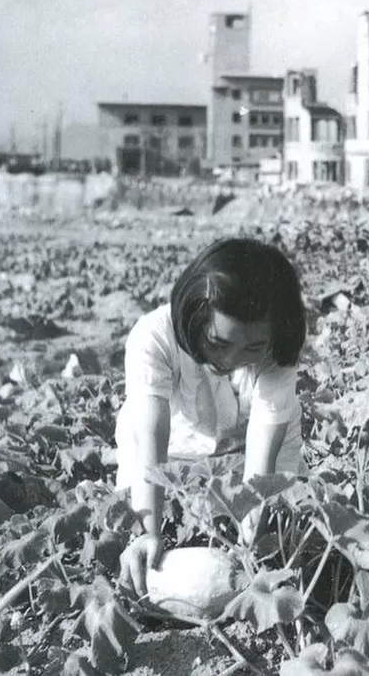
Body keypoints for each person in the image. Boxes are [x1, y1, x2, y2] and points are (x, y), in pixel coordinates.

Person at [115, 237, 307, 597]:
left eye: (252, 348)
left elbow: (262, 463)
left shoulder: (280, 350)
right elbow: (149, 439)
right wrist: (148, 532)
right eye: (219, 344)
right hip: (174, 455)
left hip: (247, 449)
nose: (232, 359)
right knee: (141, 531)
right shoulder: (153, 336)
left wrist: (250, 551)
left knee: (277, 530)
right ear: (196, 317)